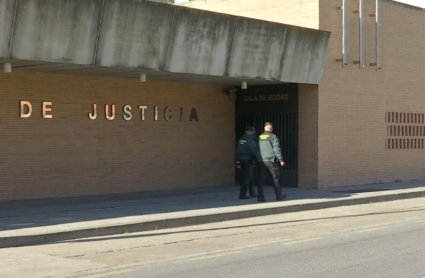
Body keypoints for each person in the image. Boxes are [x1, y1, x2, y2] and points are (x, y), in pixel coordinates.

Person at [256, 122, 286, 202]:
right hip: (270, 160)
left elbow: (256, 148)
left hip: (261, 160)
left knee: (261, 179)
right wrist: (281, 160)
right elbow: (276, 148)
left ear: (264, 128)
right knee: (275, 178)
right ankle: (279, 196)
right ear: (271, 129)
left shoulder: (259, 137)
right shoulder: (273, 136)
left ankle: (260, 197)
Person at [235, 127, 258, 199]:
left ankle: (252, 192)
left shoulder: (241, 140)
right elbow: (254, 151)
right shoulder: (249, 140)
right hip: (248, 160)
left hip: (241, 160)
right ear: (250, 132)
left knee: (249, 176)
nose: (253, 133)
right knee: (247, 178)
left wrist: (237, 161)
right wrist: (256, 159)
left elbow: (237, 151)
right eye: (252, 132)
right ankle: (242, 194)